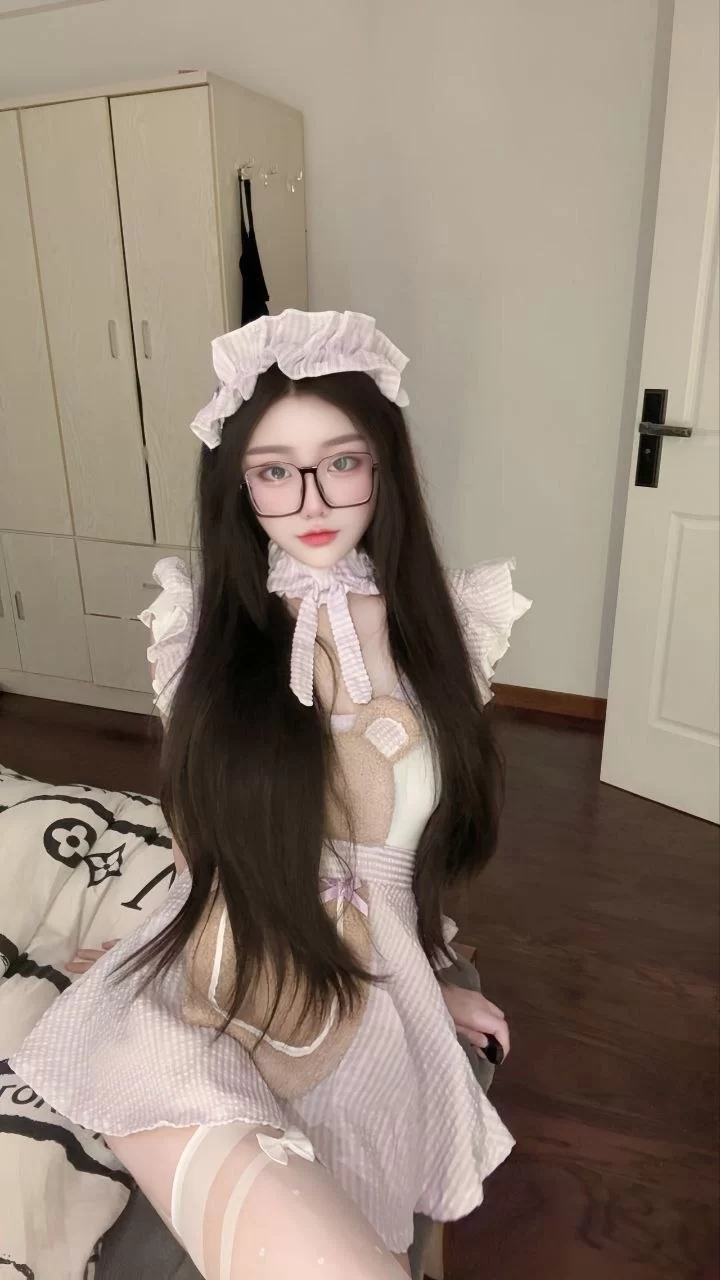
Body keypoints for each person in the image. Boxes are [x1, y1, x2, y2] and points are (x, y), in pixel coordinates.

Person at [12, 310, 530, 1279]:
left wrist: (431, 975)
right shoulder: (200, 628)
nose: (312, 498)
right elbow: (201, 838)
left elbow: (409, 845)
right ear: (239, 485)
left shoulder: (447, 626)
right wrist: (145, 945)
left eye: (343, 462)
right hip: (222, 961)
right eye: (274, 470)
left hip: (364, 981)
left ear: (383, 466)